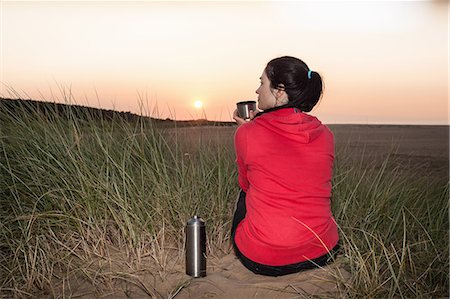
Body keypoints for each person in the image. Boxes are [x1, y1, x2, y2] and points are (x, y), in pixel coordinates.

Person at [231, 56, 339, 276]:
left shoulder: (247, 134)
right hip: (323, 252)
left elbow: (245, 183)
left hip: (264, 259)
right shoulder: (326, 134)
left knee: (247, 190)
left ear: (279, 91)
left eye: (262, 83)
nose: (257, 90)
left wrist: (246, 130)